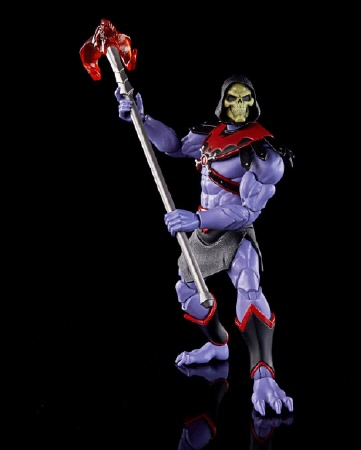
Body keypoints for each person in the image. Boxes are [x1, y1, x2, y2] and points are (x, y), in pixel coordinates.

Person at [115, 74, 294, 416]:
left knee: (250, 289)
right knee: (187, 290)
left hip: (235, 234)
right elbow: (173, 147)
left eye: (245, 99)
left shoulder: (264, 154)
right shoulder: (210, 135)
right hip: (203, 231)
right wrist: (143, 117)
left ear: (254, 102)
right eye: (233, 98)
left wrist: (196, 220)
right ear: (223, 101)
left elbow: (246, 212)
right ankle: (217, 344)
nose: (239, 106)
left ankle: (264, 377)